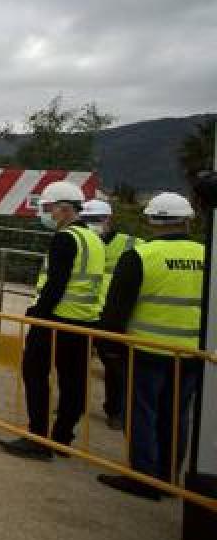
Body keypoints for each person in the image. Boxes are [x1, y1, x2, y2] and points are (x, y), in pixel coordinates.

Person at [96, 193, 205, 500]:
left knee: (141, 412)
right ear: (188, 219)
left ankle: (144, 476)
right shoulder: (207, 254)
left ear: (151, 220)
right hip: (192, 353)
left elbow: (117, 308)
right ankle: (169, 478)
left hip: (146, 349)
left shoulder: (142, 255)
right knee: (177, 415)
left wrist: (111, 346)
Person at [0, 181, 105, 461]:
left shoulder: (65, 238)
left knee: (35, 373)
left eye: (47, 209)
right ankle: (62, 437)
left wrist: (37, 314)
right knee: (73, 382)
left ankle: (38, 438)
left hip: (56, 320)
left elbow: (56, 284)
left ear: (64, 209)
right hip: (84, 322)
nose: (44, 214)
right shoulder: (94, 238)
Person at [81, 199, 140, 430]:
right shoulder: (80, 241)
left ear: (108, 219)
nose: (91, 224)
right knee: (76, 362)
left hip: (112, 317)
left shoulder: (131, 244)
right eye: (86, 220)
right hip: (84, 312)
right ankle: (76, 403)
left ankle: (116, 411)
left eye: (96, 219)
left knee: (115, 367)